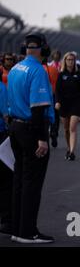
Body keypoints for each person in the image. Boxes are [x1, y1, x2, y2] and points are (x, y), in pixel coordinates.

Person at [7, 32, 55, 243]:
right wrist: (42, 139)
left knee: (19, 180)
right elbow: (39, 109)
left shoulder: (15, 69)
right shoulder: (37, 71)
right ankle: (28, 232)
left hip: (15, 127)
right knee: (32, 183)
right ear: (43, 49)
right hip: (31, 129)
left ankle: (17, 228)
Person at [55, 52, 80, 161]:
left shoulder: (79, 74)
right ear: (65, 61)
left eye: (72, 60)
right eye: (68, 60)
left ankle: (72, 152)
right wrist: (57, 102)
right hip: (64, 104)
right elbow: (57, 90)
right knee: (66, 129)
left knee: (72, 128)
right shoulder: (61, 74)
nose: (70, 62)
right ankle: (69, 148)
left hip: (76, 104)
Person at [0, 77, 12, 235]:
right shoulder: (1, 87)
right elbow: (5, 112)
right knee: (5, 179)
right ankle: (6, 220)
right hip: (1, 134)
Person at [42, 59, 59, 148]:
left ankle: (45, 135)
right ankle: (54, 132)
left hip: (42, 96)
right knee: (54, 116)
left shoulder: (39, 69)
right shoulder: (54, 69)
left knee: (44, 116)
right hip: (53, 94)